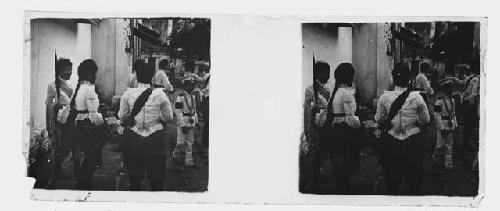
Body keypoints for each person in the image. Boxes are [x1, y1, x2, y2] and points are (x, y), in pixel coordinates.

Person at [375, 63, 430, 195]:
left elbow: (379, 119)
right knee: (413, 184)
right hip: (412, 142)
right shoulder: (417, 97)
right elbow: (425, 120)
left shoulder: (384, 97)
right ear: (409, 79)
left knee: (392, 183)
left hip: (392, 142)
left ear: (393, 79)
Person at [118, 60, 173, 191]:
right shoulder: (160, 94)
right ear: (152, 77)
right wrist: (157, 118)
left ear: (136, 75)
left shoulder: (128, 93)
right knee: (157, 179)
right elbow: (169, 117)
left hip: (134, 138)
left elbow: (122, 116)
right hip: (155, 138)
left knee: (134, 178)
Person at [325, 63, 361, 194]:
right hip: (344, 130)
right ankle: (343, 186)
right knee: (348, 159)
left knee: (339, 158)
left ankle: (341, 184)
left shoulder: (336, 92)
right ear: (348, 77)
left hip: (336, 128)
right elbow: (351, 117)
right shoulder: (346, 94)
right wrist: (360, 123)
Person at [69, 59, 105, 190]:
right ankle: (83, 182)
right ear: (90, 74)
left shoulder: (80, 88)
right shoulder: (89, 90)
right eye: (94, 73)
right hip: (87, 126)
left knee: (90, 154)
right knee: (92, 155)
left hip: (80, 124)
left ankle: (83, 181)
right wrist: (103, 122)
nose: (95, 76)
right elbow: (93, 113)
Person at [301, 61, 331, 188]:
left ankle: (319, 174)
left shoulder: (330, 87)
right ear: (317, 74)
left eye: (328, 73)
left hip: (327, 123)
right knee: (316, 152)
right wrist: (307, 129)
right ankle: (314, 178)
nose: (327, 76)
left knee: (323, 150)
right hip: (315, 125)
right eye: (324, 73)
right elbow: (307, 111)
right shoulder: (310, 90)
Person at [45, 58, 73, 179]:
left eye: (70, 71)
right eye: (67, 71)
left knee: (67, 144)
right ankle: (57, 168)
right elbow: (49, 106)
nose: (69, 73)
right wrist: (50, 124)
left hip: (69, 118)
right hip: (57, 119)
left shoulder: (70, 85)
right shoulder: (52, 86)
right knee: (58, 144)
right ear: (59, 71)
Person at [172, 74, 199, 167]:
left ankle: (189, 161)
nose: (191, 86)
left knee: (190, 142)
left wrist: (197, 122)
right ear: (185, 86)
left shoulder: (193, 97)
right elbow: (178, 112)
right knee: (180, 142)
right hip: (183, 121)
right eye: (189, 84)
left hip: (191, 121)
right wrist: (182, 125)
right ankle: (175, 156)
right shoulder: (180, 97)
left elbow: (194, 110)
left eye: (192, 84)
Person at [433, 79, 458, 170]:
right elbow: (437, 115)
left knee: (449, 145)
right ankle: (436, 160)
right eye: (449, 88)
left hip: (450, 125)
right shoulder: (439, 101)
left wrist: (456, 125)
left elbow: (453, 113)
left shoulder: (452, 100)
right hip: (442, 125)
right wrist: (442, 128)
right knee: (440, 145)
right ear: (444, 89)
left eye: (452, 88)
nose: (451, 90)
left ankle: (448, 164)